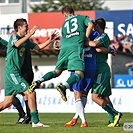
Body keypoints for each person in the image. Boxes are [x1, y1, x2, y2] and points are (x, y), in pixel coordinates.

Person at [28, 5, 94, 103]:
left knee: (56, 72)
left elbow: (64, 39)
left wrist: (58, 45)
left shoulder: (64, 24)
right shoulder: (81, 17)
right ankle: (63, 87)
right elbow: (91, 24)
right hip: (76, 47)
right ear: (73, 11)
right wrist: (86, 37)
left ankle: (38, 81)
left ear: (64, 15)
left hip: (64, 48)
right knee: (80, 74)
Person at [0, 18, 59, 127]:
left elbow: (38, 47)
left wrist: (49, 40)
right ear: (19, 28)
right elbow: (16, 44)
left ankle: (34, 121)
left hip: (14, 73)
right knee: (31, 92)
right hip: (12, 73)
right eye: (26, 27)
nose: (28, 28)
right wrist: (31, 33)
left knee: (7, 102)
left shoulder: (26, 41)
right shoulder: (14, 37)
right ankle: (36, 122)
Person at [86, 18, 122, 127]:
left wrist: (84, 40)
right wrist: (110, 50)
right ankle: (113, 120)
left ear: (97, 26)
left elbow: (96, 46)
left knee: (95, 97)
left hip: (101, 70)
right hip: (102, 69)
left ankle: (115, 114)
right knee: (105, 97)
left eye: (94, 25)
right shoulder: (100, 36)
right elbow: (100, 49)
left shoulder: (103, 36)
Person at [64, 30, 98, 127]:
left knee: (77, 94)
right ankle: (75, 117)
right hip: (91, 66)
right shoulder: (96, 34)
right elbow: (97, 46)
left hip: (79, 65)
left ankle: (83, 121)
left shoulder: (77, 33)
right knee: (84, 94)